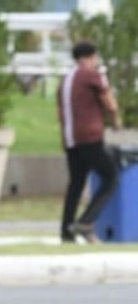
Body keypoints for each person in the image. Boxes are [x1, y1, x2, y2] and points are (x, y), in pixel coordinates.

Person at [58, 39, 124, 243]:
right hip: (90, 137)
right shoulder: (92, 75)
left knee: (76, 184)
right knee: (111, 177)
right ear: (91, 57)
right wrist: (115, 121)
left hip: (71, 139)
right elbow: (109, 102)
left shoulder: (65, 79)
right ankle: (86, 221)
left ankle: (67, 232)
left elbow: (60, 113)